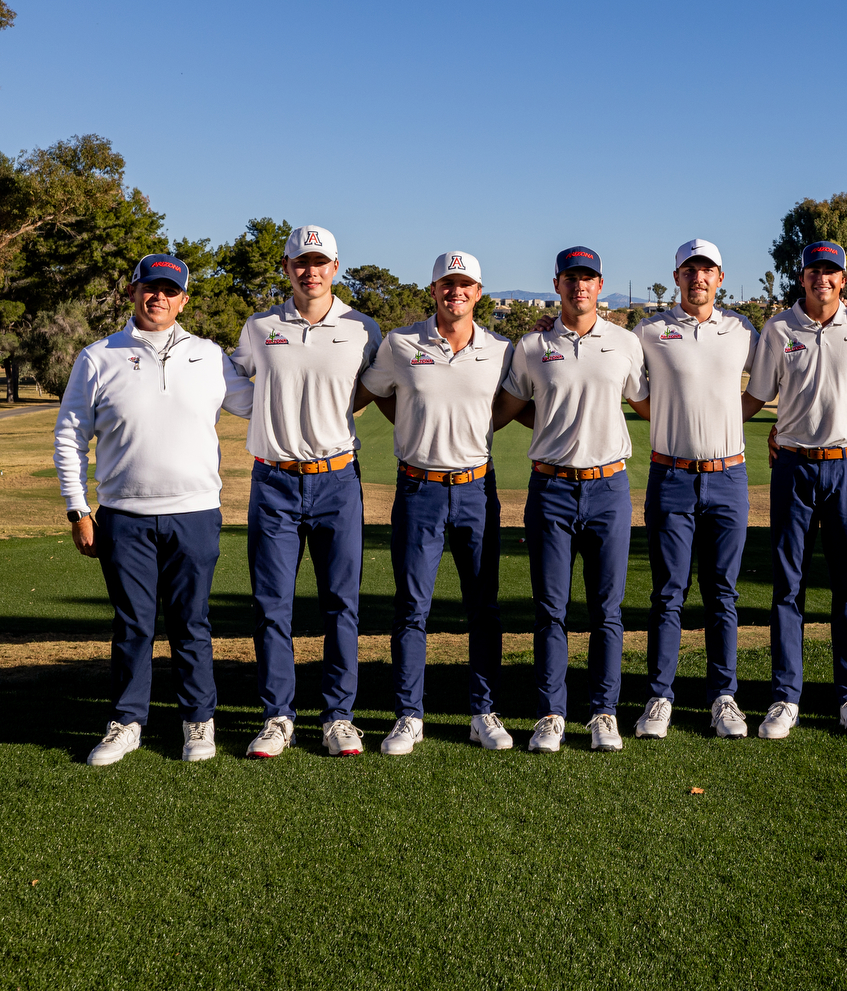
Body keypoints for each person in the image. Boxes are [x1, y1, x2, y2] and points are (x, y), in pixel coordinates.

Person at [57, 254, 254, 766]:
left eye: (170, 290)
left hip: (195, 513)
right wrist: (78, 510)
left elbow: (259, 404)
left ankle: (198, 721)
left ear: (183, 299)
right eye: (150, 287)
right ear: (132, 291)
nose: (158, 297)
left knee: (192, 623)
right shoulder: (98, 357)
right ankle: (127, 722)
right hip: (123, 516)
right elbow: (69, 436)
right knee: (133, 626)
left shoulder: (209, 356)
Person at [231, 225, 382, 759]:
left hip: (337, 481)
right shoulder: (260, 326)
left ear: (335, 267)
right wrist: (263, 409)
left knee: (342, 604)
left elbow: (383, 380)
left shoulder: (363, 328)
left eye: (320, 262)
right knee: (272, 605)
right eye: (300, 262)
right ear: (287, 267)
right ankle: (278, 716)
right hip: (273, 481)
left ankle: (339, 716)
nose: (310, 271)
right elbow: (229, 377)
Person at [360, 250, 515, 755]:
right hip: (418, 489)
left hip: (477, 489)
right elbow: (377, 391)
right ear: (433, 290)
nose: (456, 292)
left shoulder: (501, 349)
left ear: (478, 293)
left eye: (465, 284)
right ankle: (409, 716)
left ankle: (483, 712)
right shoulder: (401, 343)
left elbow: (513, 402)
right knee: (411, 608)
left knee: (483, 608)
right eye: (447, 284)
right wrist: (410, 420)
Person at [494, 247, 648, 753]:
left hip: (609, 488)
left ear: (599, 285)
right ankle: (551, 714)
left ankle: (604, 713)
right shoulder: (532, 344)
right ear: (557, 283)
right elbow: (507, 406)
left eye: (588, 278)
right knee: (550, 610)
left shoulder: (624, 342)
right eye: (571, 277)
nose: (579, 286)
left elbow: (647, 402)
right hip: (551, 489)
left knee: (607, 610)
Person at [740, 240, 847, 740]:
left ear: (843, 279)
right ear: (800, 277)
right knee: (787, 586)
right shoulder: (779, 328)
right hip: (793, 467)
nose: (822, 277)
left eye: (831, 271)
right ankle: (785, 697)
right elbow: (757, 395)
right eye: (813, 270)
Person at [627, 241, 758, 741]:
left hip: (728, 477)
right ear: (676, 276)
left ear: (719, 278)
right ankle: (660, 697)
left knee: (722, 593)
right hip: (672, 477)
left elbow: (768, 382)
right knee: (668, 593)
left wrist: (728, 421)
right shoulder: (649, 331)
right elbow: (635, 392)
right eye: (689, 270)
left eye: (707, 270)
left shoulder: (742, 330)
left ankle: (724, 697)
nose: (698, 278)